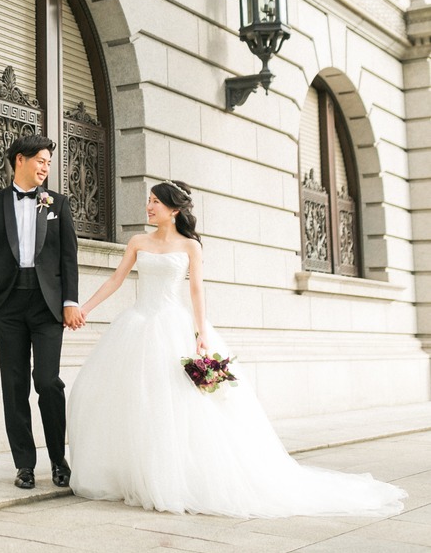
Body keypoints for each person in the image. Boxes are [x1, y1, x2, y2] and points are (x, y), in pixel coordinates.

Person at [66, 180, 407, 516]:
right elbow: (115, 280)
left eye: (155, 201)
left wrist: (200, 333)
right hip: (138, 323)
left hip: (173, 325)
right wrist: (85, 308)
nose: (149, 206)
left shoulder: (190, 247)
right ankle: (133, 474)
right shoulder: (138, 241)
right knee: (135, 401)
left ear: (173, 209)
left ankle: (177, 478)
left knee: (179, 406)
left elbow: (197, 290)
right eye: (149, 200)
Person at [0, 134, 84, 490]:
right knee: (15, 384)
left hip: (47, 304)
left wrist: (69, 301)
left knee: (46, 381)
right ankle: (24, 464)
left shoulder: (58, 204)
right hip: (8, 306)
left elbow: (69, 258)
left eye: (49, 163)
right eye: (40, 160)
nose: (45, 167)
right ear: (19, 160)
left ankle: (58, 459)